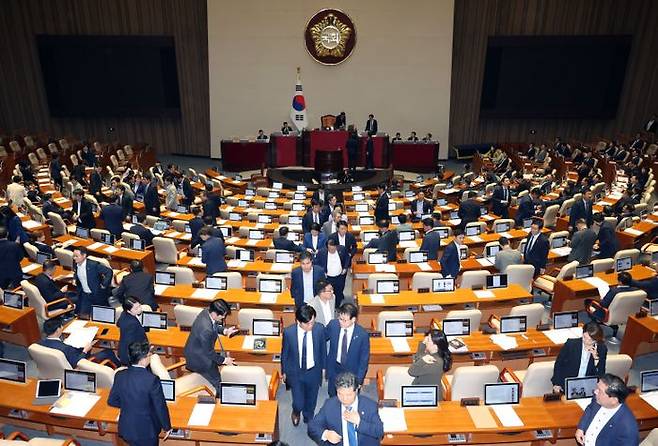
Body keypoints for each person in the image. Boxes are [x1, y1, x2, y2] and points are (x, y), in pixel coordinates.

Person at [109, 341, 172, 445]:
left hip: (127, 428)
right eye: (149, 355)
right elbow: (160, 406)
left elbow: (112, 401)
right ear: (143, 359)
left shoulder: (119, 375)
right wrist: (167, 427)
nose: (150, 357)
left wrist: (130, 405)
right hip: (146, 431)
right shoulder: (152, 380)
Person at [308, 371, 384, 445]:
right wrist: (326, 434)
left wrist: (359, 422)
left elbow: (379, 431)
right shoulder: (329, 405)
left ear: (356, 390)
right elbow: (312, 426)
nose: (344, 399)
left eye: (349, 395)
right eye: (340, 394)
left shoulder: (370, 406)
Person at [282, 304, 326, 426]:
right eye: (307, 324)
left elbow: (323, 350)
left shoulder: (319, 329)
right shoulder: (289, 332)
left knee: (312, 399)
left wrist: (323, 368)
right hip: (295, 372)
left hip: (313, 371)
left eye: (312, 322)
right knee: (298, 402)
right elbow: (285, 353)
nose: (311, 326)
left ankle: (308, 416)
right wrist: (284, 371)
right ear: (298, 321)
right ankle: (296, 411)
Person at [184, 299, 238, 395]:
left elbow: (214, 325)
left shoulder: (206, 312)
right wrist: (225, 360)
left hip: (195, 349)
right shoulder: (206, 330)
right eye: (222, 315)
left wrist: (225, 331)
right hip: (199, 359)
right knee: (217, 380)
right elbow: (209, 353)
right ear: (214, 313)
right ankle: (219, 398)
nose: (223, 317)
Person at [575, 373, 639, 446]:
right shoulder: (598, 398)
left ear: (614, 400)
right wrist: (581, 428)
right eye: (597, 388)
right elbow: (590, 408)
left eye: (599, 390)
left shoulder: (628, 429)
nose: (595, 392)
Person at [325, 303, 370, 396]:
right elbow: (321, 338)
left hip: (352, 371)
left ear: (353, 319)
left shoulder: (362, 335)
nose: (341, 322)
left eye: (344, 320)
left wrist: (359, 380)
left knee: (348, 398)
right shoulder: (333, 325)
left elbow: (363, 361)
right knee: (333, 395)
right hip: (334, 368)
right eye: (340, 318)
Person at [551, 322, 607, 393]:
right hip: (567, 383)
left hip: (587, 386)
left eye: (590, 340)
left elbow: (601, 373)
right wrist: (557, 383)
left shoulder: (601, 349)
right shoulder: (571, 344)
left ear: (596, 340)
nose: (586, 341)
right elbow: (558, 364)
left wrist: (596, 359)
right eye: (584, 337)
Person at [39, 317, 119, 367]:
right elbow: (77, 363)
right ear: (57, 330)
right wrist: (85, 350)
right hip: (76, 364)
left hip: (55, 367)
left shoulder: (40, 344)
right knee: (108, 352)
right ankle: (118, 368)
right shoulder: (65, 348)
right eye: (61, 326)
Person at [72, 246, 113, 317]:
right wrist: (75, 278)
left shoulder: (93, 265)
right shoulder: (75, 263)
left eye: (76, 256)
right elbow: (76, 272)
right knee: (83, 316)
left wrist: (104, 284)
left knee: (103, 316)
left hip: (97, 294)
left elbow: (109, 272)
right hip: (85, 295)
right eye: (74, 256)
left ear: (84, 255)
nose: (74, 258)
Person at [314, 239, 350, 308]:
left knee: (339, 292)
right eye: (330, 249)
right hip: (327, 278)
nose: (332, 251)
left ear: (336, 247)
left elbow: (347, 258)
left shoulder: (342, 249)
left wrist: (345, 268)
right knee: (327, 292)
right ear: (327, 247)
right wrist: (322, 271)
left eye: (333, 249)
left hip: (339, 276)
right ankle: (328, 306)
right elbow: (317, 263)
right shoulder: (322, 252)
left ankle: (337, 306)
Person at [116, 297, 148, 365]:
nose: (140, 309)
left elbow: (118, 324)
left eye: (139, 306)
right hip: (131, 357)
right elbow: (130, 344)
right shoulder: (132, 324)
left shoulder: (123, 314)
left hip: (122, 348)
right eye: (136, 308)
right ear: (129, 311)